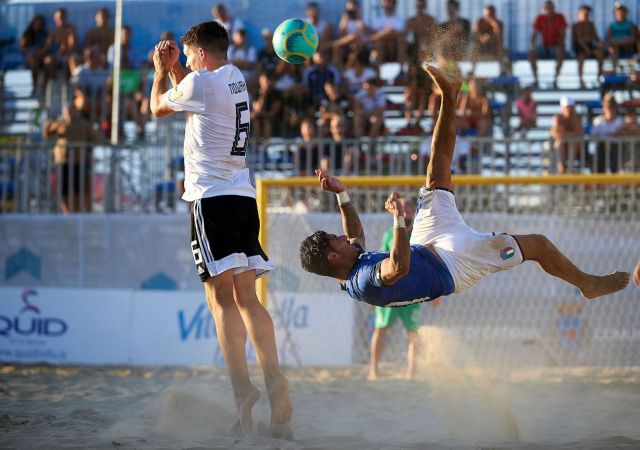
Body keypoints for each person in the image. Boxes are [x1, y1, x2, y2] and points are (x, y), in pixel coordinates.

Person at [299, 65, 629, 310]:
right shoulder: (362, 280)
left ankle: (449, 94)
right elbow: (398, 267)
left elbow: (355, 233)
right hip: (456, 264)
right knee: (538, 245)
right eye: (335, 240)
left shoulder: (349, 262)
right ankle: (587, 284)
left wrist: (342, 195)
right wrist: (399, 221)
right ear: (332, 255)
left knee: (436, 169)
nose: (343, 238)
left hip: (425, 243)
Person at [149, 21, 292, 439]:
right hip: (241, 196)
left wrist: (161, 70)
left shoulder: (202, 83)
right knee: (248, 297)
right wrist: (181, 71)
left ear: (203, 54)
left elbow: (157, 108)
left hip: (209, 200)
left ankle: (242, 391)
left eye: (190, 56)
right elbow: (195, 91)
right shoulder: (234, 79)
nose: (187, 63)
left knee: (219, 301)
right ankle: (273, 376)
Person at [369, 197, 422, 381]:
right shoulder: (390, 235)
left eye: (408, 206)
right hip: (390, 292)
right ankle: (374, 370)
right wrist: (375, 291)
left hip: (413, 291)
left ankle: (411, 373)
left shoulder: (419, 234)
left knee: (413, 333)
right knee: (380, 329)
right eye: (403, 206)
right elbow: (382, 262)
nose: (405, 209)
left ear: (414, 212)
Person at [43, 87, 96, 214]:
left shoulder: (84, 124)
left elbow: (94, 138)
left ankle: (77, 214)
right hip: (63, 162)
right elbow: (47, 134)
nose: (69, 112)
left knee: (79, 191)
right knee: (63, 191)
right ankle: (68, 214)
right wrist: (47, 125)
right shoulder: (60, 123)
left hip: (79, 162)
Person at [528, 1, 567, 88]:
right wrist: (532, 46)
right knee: (531, 53)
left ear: (554, 8)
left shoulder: (560, 17)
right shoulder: (540, 18)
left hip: (556, 46)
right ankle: (536, 80)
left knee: (560, 53)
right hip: (544, 47)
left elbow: (563, 34)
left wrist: (560, 46)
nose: (549, 10)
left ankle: (555, 79)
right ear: (544, 9)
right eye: (547, 8)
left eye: (551, 8)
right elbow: (534, 33)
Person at [591, 93, 625, 173]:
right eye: (607, 106)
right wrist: (608, 139)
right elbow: (594, 136)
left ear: (615, 107)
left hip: (616, 149)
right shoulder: (598, 121)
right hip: (601, 148)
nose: (609, 109)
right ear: (604, 107)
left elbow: (621, 133)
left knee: (614, 154)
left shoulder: (620, 121)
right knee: (599, 155)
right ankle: (600, 182)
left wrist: (607, 139)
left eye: (611, 106)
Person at [571, 5, 604, 88]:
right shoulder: (577, 25)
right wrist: (587, 49)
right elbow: (579, 39)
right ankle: (581, 79)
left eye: (587, 13)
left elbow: (596, 37)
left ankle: (600, 74)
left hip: (589, 45)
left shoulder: (591, 24)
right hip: (579, 46)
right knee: (581, 57)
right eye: (584, 13)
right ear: (579, 14)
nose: (586, 15)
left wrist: (600, 44)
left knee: (600, 53)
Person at [550, 96, 584, 173]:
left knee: (573, 142)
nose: (569, 110)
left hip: (574, 147)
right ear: (562, 108)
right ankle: (561, 168)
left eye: (570, 107)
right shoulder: (558, 118)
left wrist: (565, 134)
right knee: (560, 143)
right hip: (563, 147)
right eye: (567, 107)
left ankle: (570, 169)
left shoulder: (577, 118)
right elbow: (557, 134)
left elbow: (579, 133)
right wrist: (571, 134)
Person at [471, 5, 507, 75]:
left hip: (494, 47)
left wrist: (494, 24)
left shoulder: (499, 23)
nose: (489, 16)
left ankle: (502, 69)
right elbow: (475, 35)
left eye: (491, 14)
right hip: (482, 47)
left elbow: (499, 37)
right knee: (476, 47)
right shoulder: (480, 22)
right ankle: (472, 70)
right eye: (488, 14)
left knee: (500, 47)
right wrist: (483, 38)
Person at [605, 3, 638, 73]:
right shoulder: (612, 25)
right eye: (618, 13)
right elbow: (608, 39)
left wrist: (620, 41)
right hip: (616, 48)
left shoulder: (630, 25)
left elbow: (633, 39)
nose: (621, 15)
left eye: (622, 13)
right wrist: (610, 46)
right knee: (613, 48)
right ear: (615, 15)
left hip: (628, 47)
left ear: (626, 14)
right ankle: (614, 69)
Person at [19, 15, 48, 96]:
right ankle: (34, 86)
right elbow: (22, 47)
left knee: (48, 62)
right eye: (36, 23)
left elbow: (47, 46)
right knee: (34, 62)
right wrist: (31, 53)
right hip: (30, 57)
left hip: (41, 56)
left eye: (40, 23)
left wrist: (39, 53)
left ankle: (44, 88)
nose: (38, 25)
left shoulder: (45, 35)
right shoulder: (27, 34)